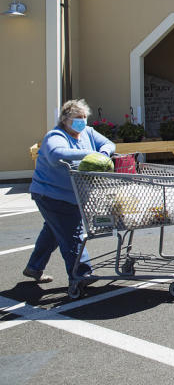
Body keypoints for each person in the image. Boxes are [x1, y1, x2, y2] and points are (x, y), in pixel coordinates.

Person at [23, 99, 115, 284]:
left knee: (54, 230)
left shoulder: (87, 132)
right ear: (65, 119)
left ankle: (34, 267)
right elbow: (57, 154)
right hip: (51, 194)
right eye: (77, 117)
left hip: (73, 195)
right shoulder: (55, 136)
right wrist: (90, 155)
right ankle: (81, 274)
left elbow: (108, 144)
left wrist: (103, 154)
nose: (82, 121)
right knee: (72, 232)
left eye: (84, 117)